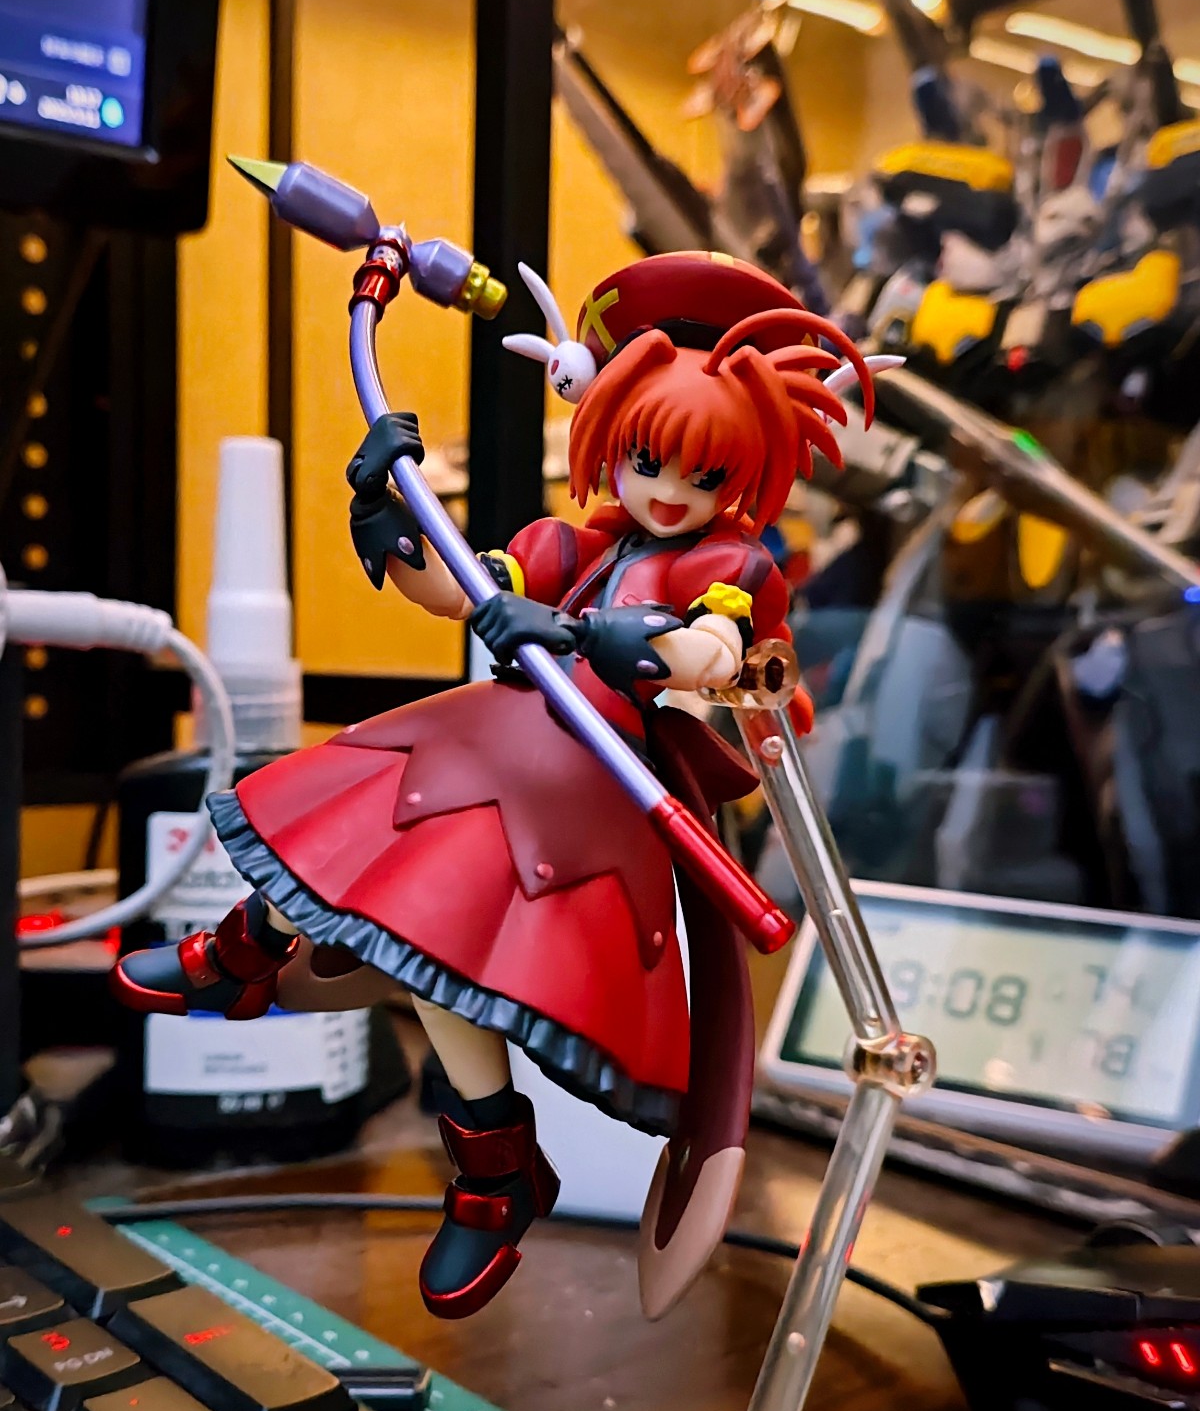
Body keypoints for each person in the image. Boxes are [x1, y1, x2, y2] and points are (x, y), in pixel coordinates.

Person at [113, 252, 874, 1320]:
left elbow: (713, 654)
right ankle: (246, 957)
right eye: (649, 459)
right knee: (353, 828)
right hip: (493, 750)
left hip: (586, 790)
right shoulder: (573, 543)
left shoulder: (726, 569)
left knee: (441, 947)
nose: (669, 491)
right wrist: (385, 513)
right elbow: (454, 588)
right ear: (613, 439)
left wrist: (604, 637)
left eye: (703, 476)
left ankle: (492, 1167)